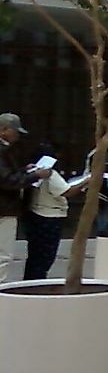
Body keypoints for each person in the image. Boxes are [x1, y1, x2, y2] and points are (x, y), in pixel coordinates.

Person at [0, 113, 52, 283]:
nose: (17, 135)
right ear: (4, 130)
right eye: (15, 131)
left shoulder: (6, 150)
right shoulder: (2, 151)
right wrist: (35, 175)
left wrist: (23, 170)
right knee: (3, 254)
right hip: (4, 208)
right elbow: (7, 181)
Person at [23, 143, 86, 280]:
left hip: (34, 213)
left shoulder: (31, 171)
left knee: (34, 254)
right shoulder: (50, 173)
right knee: (46, 255)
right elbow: (66, 192)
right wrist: (85, 182)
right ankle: (37, 282)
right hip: (50, 216)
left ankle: (30, 281)